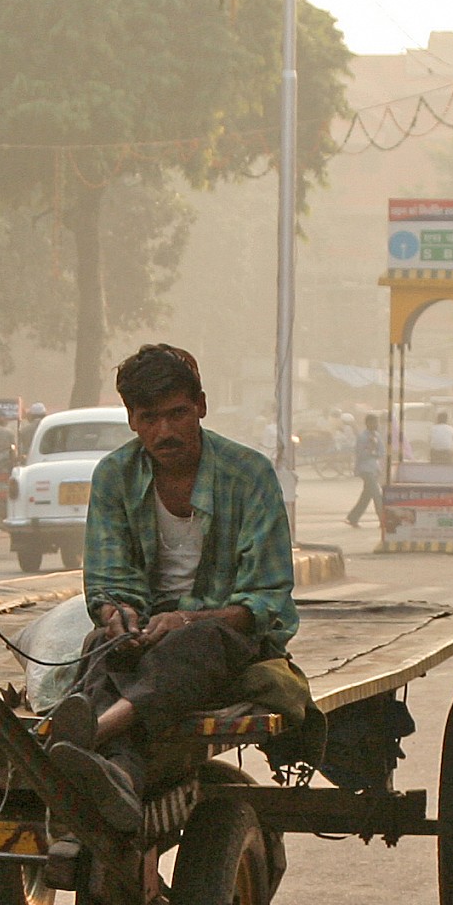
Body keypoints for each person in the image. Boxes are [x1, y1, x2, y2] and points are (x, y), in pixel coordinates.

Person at [47, 344, 297, 831]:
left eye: (178, 414)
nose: (166, 431)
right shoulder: (114, 476)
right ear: (132, 420)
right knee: (104, 644)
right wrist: (120, 616)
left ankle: (91, 735)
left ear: (200, 406)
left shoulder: (249, 474)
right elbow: (109, 580)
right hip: (147, 636)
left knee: (196, 641)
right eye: (151, 418)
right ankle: (118, 772)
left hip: (225, 637)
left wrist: (186, 619)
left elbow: (264, 600)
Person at [346, 412, 384, 528]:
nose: (377, 425)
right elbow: (360, 454)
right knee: (376, 494)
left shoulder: (377, 436)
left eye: (377, 422)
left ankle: (353, 517)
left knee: (367, 495)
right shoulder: (362, 437)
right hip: (365, 469)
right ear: (368, 423)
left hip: (374, 468)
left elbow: (381, 452)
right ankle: (383, 519)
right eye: (374, 422)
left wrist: (373, 452)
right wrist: (371, 451)